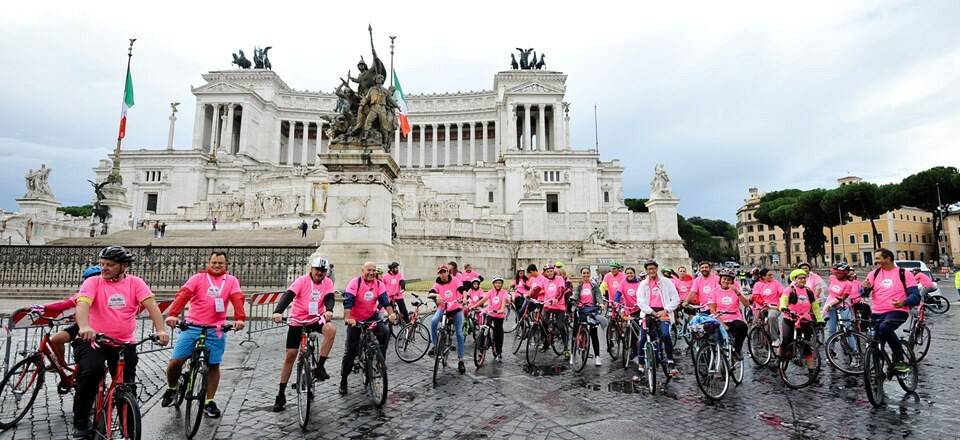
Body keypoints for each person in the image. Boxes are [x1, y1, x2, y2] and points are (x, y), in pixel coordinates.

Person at [71, 246, 170, 438]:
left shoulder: (136, 283)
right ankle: (81, 419)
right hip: (93, 341)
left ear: (124, 266)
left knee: (127, 385)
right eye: (102, 264)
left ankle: (129, 426)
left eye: (110, 265)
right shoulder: (93, 282)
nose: (104, 268)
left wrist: (160, 330)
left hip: (124, 343)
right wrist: (84, 327)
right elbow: (82, 305)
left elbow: (152, 306)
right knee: (93, 370)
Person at [161, 251, 246, 417]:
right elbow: (183, 295)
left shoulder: (231, 281)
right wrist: (173, 314)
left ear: (226, 265)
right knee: (175, 362)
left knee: (213, 365)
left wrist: (240, 318)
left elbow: (237, 298)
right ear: (209, 262)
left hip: (216, 329)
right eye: (214, 262)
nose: (216, 266)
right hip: (192, 327)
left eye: (220, 263)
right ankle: (171, 388)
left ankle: (209, 401)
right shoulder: (197, 278)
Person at [269, 257, 337, 410]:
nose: (320, 273)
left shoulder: (327, 282)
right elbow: (288, 295)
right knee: (291, 355)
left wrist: (330, 310)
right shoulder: (301, 281)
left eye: (323, 271)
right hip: (298, 320)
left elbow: (329, 298)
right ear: (311, 270)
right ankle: (280, 395)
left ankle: (320, 367)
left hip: (316, 319)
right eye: (317, 270)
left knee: (331, 329)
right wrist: (278, 312)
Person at [340, 262, 396, 395]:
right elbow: (348, 301)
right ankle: (343, 379)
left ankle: (379, 361)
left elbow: (384, 301)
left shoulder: (378, 284)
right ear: (362, 270)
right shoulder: (355, 283)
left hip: (372, 315)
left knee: (385, 332)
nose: (371, 273)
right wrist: (348, 318)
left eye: (374, 270)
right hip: (355, 318)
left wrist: (391, 313)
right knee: (350, 351)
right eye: (369, 270)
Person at [31, 266, 102, 369]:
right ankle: (61, 364)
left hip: (101, 328)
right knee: (56, 339)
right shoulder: (83, 294)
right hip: (82, 325)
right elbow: (64, 304)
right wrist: (44, 307)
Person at [862, 248, 921, 373]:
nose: (875, 261)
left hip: (897, 311)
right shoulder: (873, 274)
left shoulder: (904, 273)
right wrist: (865, 289)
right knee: (876, 343)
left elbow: (916, 296)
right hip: (877, 312)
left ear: (887, 258)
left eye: (878, 258)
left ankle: (900, 361)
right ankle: (879, 374)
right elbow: (865, 294)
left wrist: (904, 302)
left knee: (884, 328)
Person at [637, 260, 681, 377]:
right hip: (648, 312)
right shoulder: (643, 284)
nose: (651, 271)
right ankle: (640, 367)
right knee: (642, 340)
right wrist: (651, 311)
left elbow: (676, 299)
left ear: (656, 269)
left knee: (666, 335)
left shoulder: (667, 282)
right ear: (646, 271)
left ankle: (670, 362)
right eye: (649, 269)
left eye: (653, 268)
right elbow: (640, 302)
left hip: (664, 311)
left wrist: (665, 310)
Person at [779, 269, 824, 378]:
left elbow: (815, 307)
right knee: (786, 340)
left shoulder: (809, 291)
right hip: (790, 319)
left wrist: (820, 319)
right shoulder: (789, 290)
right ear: (794, 279)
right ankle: (781, 358)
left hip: (804, 320)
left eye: (804, 278)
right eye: (800, 278)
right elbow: (783, 300)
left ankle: (811, 370)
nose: (803, 280)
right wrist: (783, 307)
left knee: (807, 346)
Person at [428, 265, 467, 374]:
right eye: (440, 272)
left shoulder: (455, 280)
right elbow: (430, 293)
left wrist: (464, 298)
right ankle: (436, 345)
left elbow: (462, 289)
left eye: (444, 272)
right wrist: (436, 295)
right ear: (438, 274)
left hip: (455, 309)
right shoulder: (437, 283)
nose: (442, 274)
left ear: (448, 272)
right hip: (443, 309)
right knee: (433, 321)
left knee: (459, 333)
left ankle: (461, 360)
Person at [528, 264, 571, 356]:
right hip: (547, 306)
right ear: (545, 273)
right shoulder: (544, 280)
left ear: (553, 271)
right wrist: (530, 295)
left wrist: (556, 298)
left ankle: (566, 348)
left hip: (559, 306)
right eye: (547, 271)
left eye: (551, 271)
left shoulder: (559, 279)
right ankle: (546, 344)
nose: (550, 273)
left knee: (560, 326)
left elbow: (561, 289)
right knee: (543, 323)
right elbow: (537, 289)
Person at [709, 268, 749, 361]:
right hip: (719, 318)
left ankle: (737, 351)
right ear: (720, 279)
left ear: (732, 281)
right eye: (724, 279)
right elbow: (712, 309)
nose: (726, 281)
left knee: (743, 327)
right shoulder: (714, 291)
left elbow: (746, 304)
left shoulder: (736, 290)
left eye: (728, 279)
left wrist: (737, 292)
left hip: (734, 317)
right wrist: (722, 323)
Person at [471, 276, 510, 362]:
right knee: (484, 329)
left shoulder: (504, 293)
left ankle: (499, 353)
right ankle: (481, 350)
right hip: (490, 313)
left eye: (499, 283)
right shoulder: (491, 291)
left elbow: (503, 302)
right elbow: (483, 300)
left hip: (499, 315)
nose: (498, 284)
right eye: (496, 283)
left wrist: (501, 310)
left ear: (502, 284)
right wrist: (473, 306)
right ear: (493, 284)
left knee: (498, 333)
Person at [573, 266, 603, 366]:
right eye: (584, 273)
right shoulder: (579, 286)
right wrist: (573, 299)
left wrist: (600, 303)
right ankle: (573, 355)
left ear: (590, 274)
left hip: (592, 310)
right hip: (581, 309)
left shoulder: (594, 286)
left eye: (587, 273)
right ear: (581, 274)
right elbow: (576, 295)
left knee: (594, 334)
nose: (586, 275)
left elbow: (598, 296)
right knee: (576, 332)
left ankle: (597, 357)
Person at [614, 267, 643, 362]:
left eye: (631, 273)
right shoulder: (623, 282)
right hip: (628, 309)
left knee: (636, 331)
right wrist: (616, 301)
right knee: (629, 330)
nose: (629, 275)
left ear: (634, 274)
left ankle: (637, 349)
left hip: (638, 309)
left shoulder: (639, 283)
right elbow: (618, 293)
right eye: (627, 273)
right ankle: (632, 348)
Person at [823, 263, 857, 342]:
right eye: (835, 272)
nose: (836, 274)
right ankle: (831, 349)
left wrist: (830, 304)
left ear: (844, 273)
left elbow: (842, 298)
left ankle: (854, 350)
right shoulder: (832, 278)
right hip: (830, 305)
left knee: (847, 328)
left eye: (838, 273)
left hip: (842, 305)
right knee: (831, 329)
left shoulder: (848, 284)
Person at [750, 268, 784, 346]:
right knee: (755, 323)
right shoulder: (757, 284)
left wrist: (781, 303)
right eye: (769, 275)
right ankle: (754, 342)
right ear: (763, 276)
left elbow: (782, 293)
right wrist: (763, 303)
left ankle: (775, 339)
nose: (771, 276)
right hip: (761, 307)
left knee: (771, 317)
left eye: (772, 274)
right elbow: (756, 296)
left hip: (774, 307)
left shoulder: (776, 283)